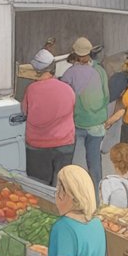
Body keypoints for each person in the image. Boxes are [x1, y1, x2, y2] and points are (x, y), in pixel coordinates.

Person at [23, 50, 77, 186]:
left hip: (38, 145)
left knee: (39, 186)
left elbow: (25, 111)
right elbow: (72, 108)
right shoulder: (67, 89)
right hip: (64, 143)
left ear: (37, 70)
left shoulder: (31, 89)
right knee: (61, 185)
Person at [61, 37, 110, 184]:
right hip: (97, 124)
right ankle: (96, 198)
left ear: (75, 53)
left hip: (77, 123)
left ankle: (77, 197)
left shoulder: (69, 74)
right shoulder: (100, 71)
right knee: (94, 164)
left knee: (75, 165)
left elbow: (64, 101)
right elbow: (107, 96)